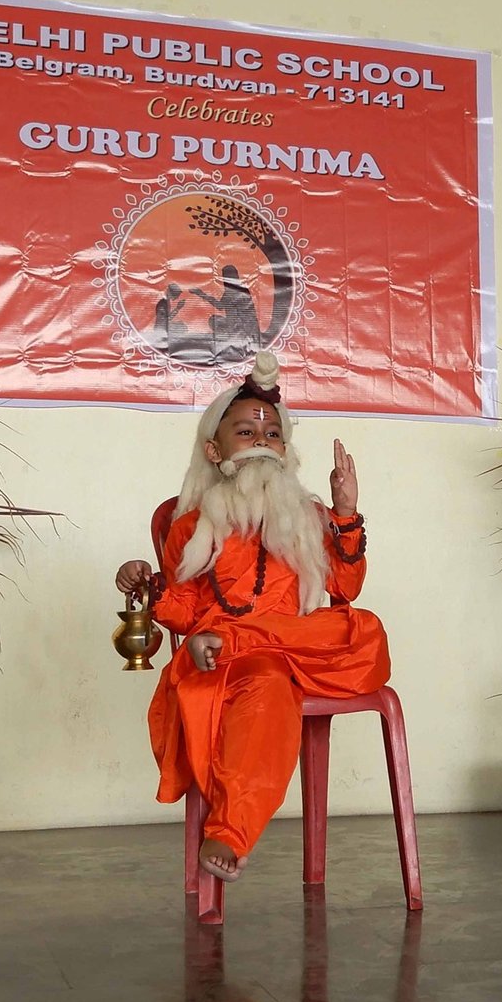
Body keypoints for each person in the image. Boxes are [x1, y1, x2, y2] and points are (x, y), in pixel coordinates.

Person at [115, 353, 389, 885]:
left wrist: (345, 512)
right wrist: (148, 586)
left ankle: (237, 639)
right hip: (235, 665)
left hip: (303, 651)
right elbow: (184, 613)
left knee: (366, 629)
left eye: (273, 434)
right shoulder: (192, 525)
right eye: (246, 432)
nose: (262, 441)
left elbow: (345, 589)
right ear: (215, 450)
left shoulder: (310, 516)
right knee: (266, 683)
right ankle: (230, 833)